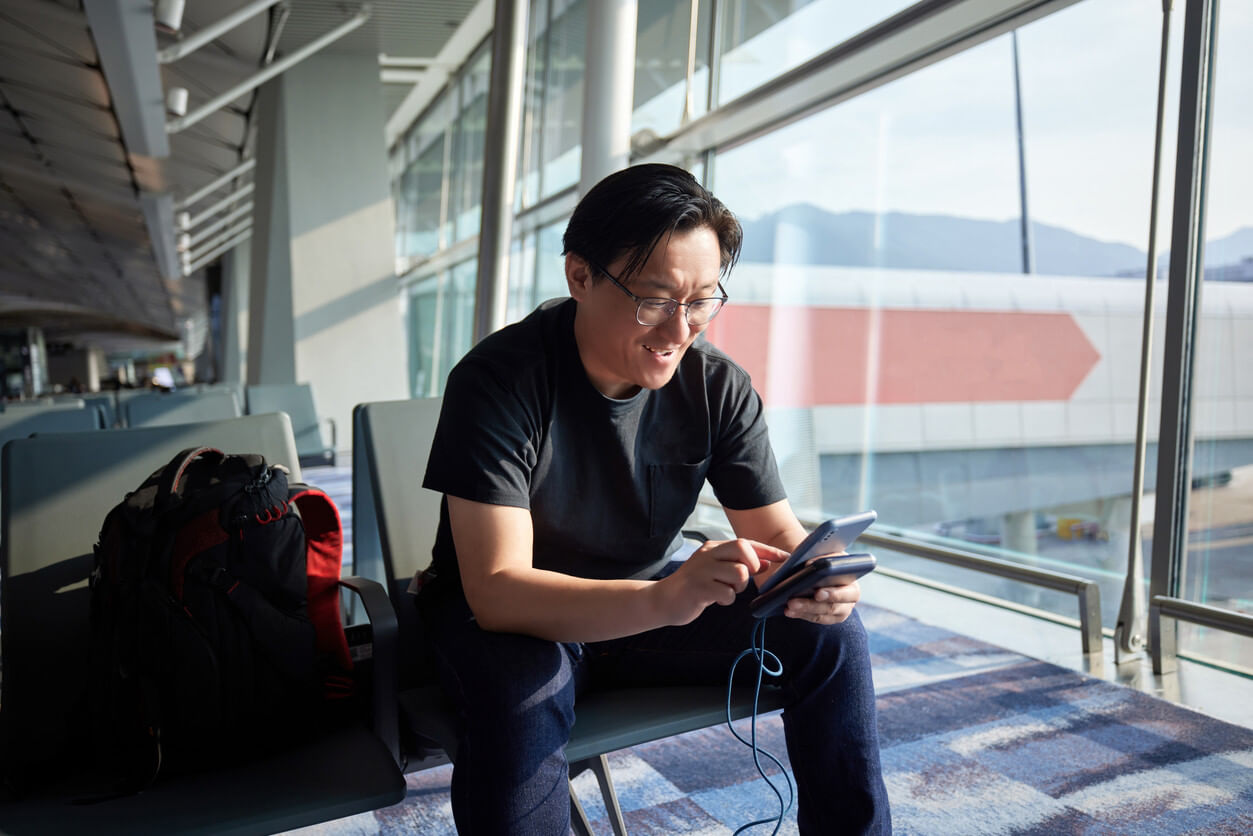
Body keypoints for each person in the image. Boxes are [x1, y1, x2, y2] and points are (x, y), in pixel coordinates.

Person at [416, 163, 890, 834]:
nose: (679, 329)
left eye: (700, 300)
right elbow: (497, 592)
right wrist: (664, 600)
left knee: (833, 635)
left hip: (650, 604)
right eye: (655, 299)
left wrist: (818, 577)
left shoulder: (716, 385)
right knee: (519, 695)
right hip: (524, 621)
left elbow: (777, 534)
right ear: (579, 276)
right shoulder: (499, 380)